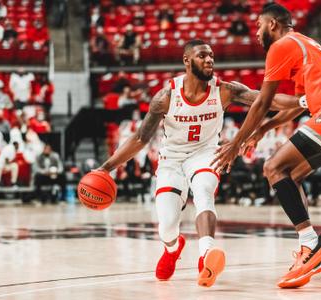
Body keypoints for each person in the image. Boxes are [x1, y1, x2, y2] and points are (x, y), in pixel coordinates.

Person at [95, 39, 298, 287]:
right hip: (172, 158)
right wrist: (106, 167)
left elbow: (267, 100)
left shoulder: (224, 90)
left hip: (207, 153)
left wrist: (304, 102)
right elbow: (140, 138)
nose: (209, 60)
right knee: (167, 226)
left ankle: (206, 255)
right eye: (202, 56)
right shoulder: (166, 97)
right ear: (187, 61)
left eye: (211, 55)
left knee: (203, 192)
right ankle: (172, 248)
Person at [212, 3, 321, 288]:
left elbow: (263, 101)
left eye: (257, 25)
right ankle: (311, 246)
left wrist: (236, 142)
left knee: (273, 166)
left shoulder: (282, 45)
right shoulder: (304, 45)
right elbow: (296, 107)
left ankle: (312, 244)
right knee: (288, 175)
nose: (255, 33)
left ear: (272, 25)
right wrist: (263, 130)